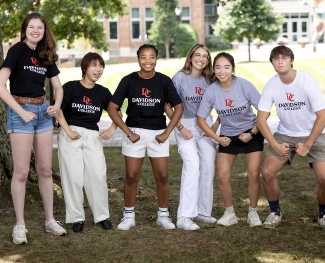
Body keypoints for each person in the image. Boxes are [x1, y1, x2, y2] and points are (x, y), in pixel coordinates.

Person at [0, 13, 67, 245]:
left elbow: (58, 87)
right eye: (31, 27)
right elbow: (1, 85)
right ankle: (20, 225)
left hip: (42, 114)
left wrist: (55, 106)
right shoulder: (17, 50)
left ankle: (50, 220)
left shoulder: (45, 55)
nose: (35, 30)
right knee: (21, 173)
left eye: (40, 27)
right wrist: (20, 111)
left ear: (44, 30)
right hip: (21, 114)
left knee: (46, 170)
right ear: (25, 29)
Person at [108, 44, 183, 231]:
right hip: (135, 132)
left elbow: (179, 108)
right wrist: (128, 132)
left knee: (163, 176)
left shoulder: (164, 81)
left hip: (158, 133)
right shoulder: (128, 80)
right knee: (132, 176)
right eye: (143, 57)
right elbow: (112, 108)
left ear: (156, 59)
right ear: (138, 59)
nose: (147, 61)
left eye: (151, 57)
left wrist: (167, 132)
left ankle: (163, 216)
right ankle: (128, 215)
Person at [257, 46, 325, 229]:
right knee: (268, 173)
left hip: (313, 133)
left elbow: (322, 116)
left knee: (324, 178)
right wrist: (275, 144)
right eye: (275, 59)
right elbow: (261, 119)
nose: (280, 61)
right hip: (285, 133)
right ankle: (274, 212)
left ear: (291, 60)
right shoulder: (272, 84)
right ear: (272, 64)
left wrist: (308, 144)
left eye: (284, 58)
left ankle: (323, 214)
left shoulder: (306, 80)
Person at [197, 52, 264, 227]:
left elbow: (264, 111)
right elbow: (200, 119)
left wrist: (252, 132)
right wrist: (217, 138)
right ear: (214, 69)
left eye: (226, 67)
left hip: (251, 132)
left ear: (233, 68)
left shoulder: (244, 85)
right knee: (222, 176)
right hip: (227, 135)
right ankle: (230, 213)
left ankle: (253, 213)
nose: (222, 71)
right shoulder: (211, 91)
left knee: (253, 174)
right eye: (218, 67)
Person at [56, 52, 121, 232]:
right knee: (73, 177)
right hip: (70, 134)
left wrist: (111, 129)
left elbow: (117, 113)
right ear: (85, 67)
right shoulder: (70, 88)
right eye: (94, 65)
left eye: (101, 66)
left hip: (92, 136)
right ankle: (77, 217)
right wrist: (68, 131)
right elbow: (58, 110)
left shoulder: (102, 92)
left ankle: (102, 215)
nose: (98, 70)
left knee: (97, 176)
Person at [165, 44, 219, 231]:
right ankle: (184, 216)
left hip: (205, 125)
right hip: (185, 125)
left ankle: (203, 211)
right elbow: (167, 105)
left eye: (205, 56)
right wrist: (179, 127)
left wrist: (214, 126)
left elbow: (224, 101)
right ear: (190, 57)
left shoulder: (209, 80)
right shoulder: (180, 78)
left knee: (207, 167)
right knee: (193, 166)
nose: (201, 59)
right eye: (198, 55)